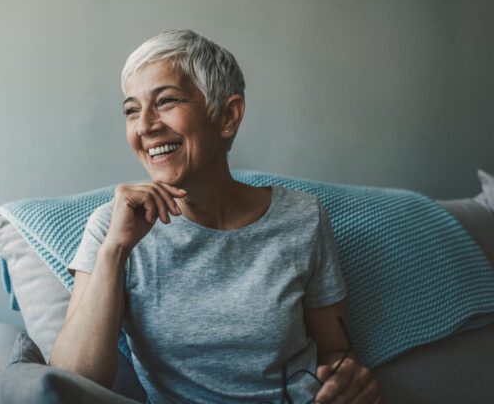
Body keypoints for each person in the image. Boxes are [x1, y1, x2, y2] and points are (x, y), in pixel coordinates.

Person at [49, 30, 385, 404]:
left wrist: (350, 383)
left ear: (227, 115)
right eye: (131, 110)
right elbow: (69, 383)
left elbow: (335, 351)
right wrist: (114, 250)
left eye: (166, 101)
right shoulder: (111, 228)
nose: (145, 125)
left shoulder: (303, 218)